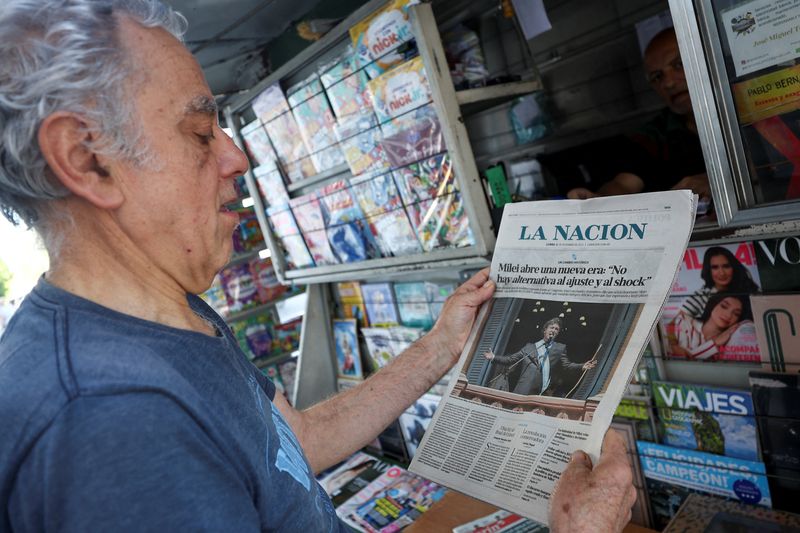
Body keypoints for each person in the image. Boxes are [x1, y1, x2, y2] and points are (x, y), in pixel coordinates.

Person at [0, 1, 634, 531]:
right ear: (86, 159)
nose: (236, 158)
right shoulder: (111, 420)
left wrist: (443, 346)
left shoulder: (165, 311)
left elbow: (289, 442)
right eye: (199, 133)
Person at [567, 27, 711, 200]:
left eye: (678, 65)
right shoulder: (654, 134)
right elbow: (624, 184)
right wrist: (597, 199)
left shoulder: (744, 104)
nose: (669, 83)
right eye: (657, 76)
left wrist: (714, 182)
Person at [484, 318, 597, 396]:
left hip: (541, 391)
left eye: (556, 329)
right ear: (545, 330)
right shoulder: (529, 347)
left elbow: (567, 365)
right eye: (551, 327)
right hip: (523, 389)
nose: (553, 330)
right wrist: (494, 357)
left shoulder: (560, 348)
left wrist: (582, 366)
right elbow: (510, 359)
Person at [679, 246, 760, 318]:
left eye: (726, 266)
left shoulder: (751, 289)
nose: (721, 273)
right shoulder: (701, 295)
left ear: (734, 267)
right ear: (708, 270)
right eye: (715, 267)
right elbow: (675, 325)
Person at [670, 293, 755, 361]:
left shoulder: (730, 341)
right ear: (713, 305)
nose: (728, 315)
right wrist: (714, 344)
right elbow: (683, 362)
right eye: (724, 306)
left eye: (736, 314)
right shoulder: (684, 322)